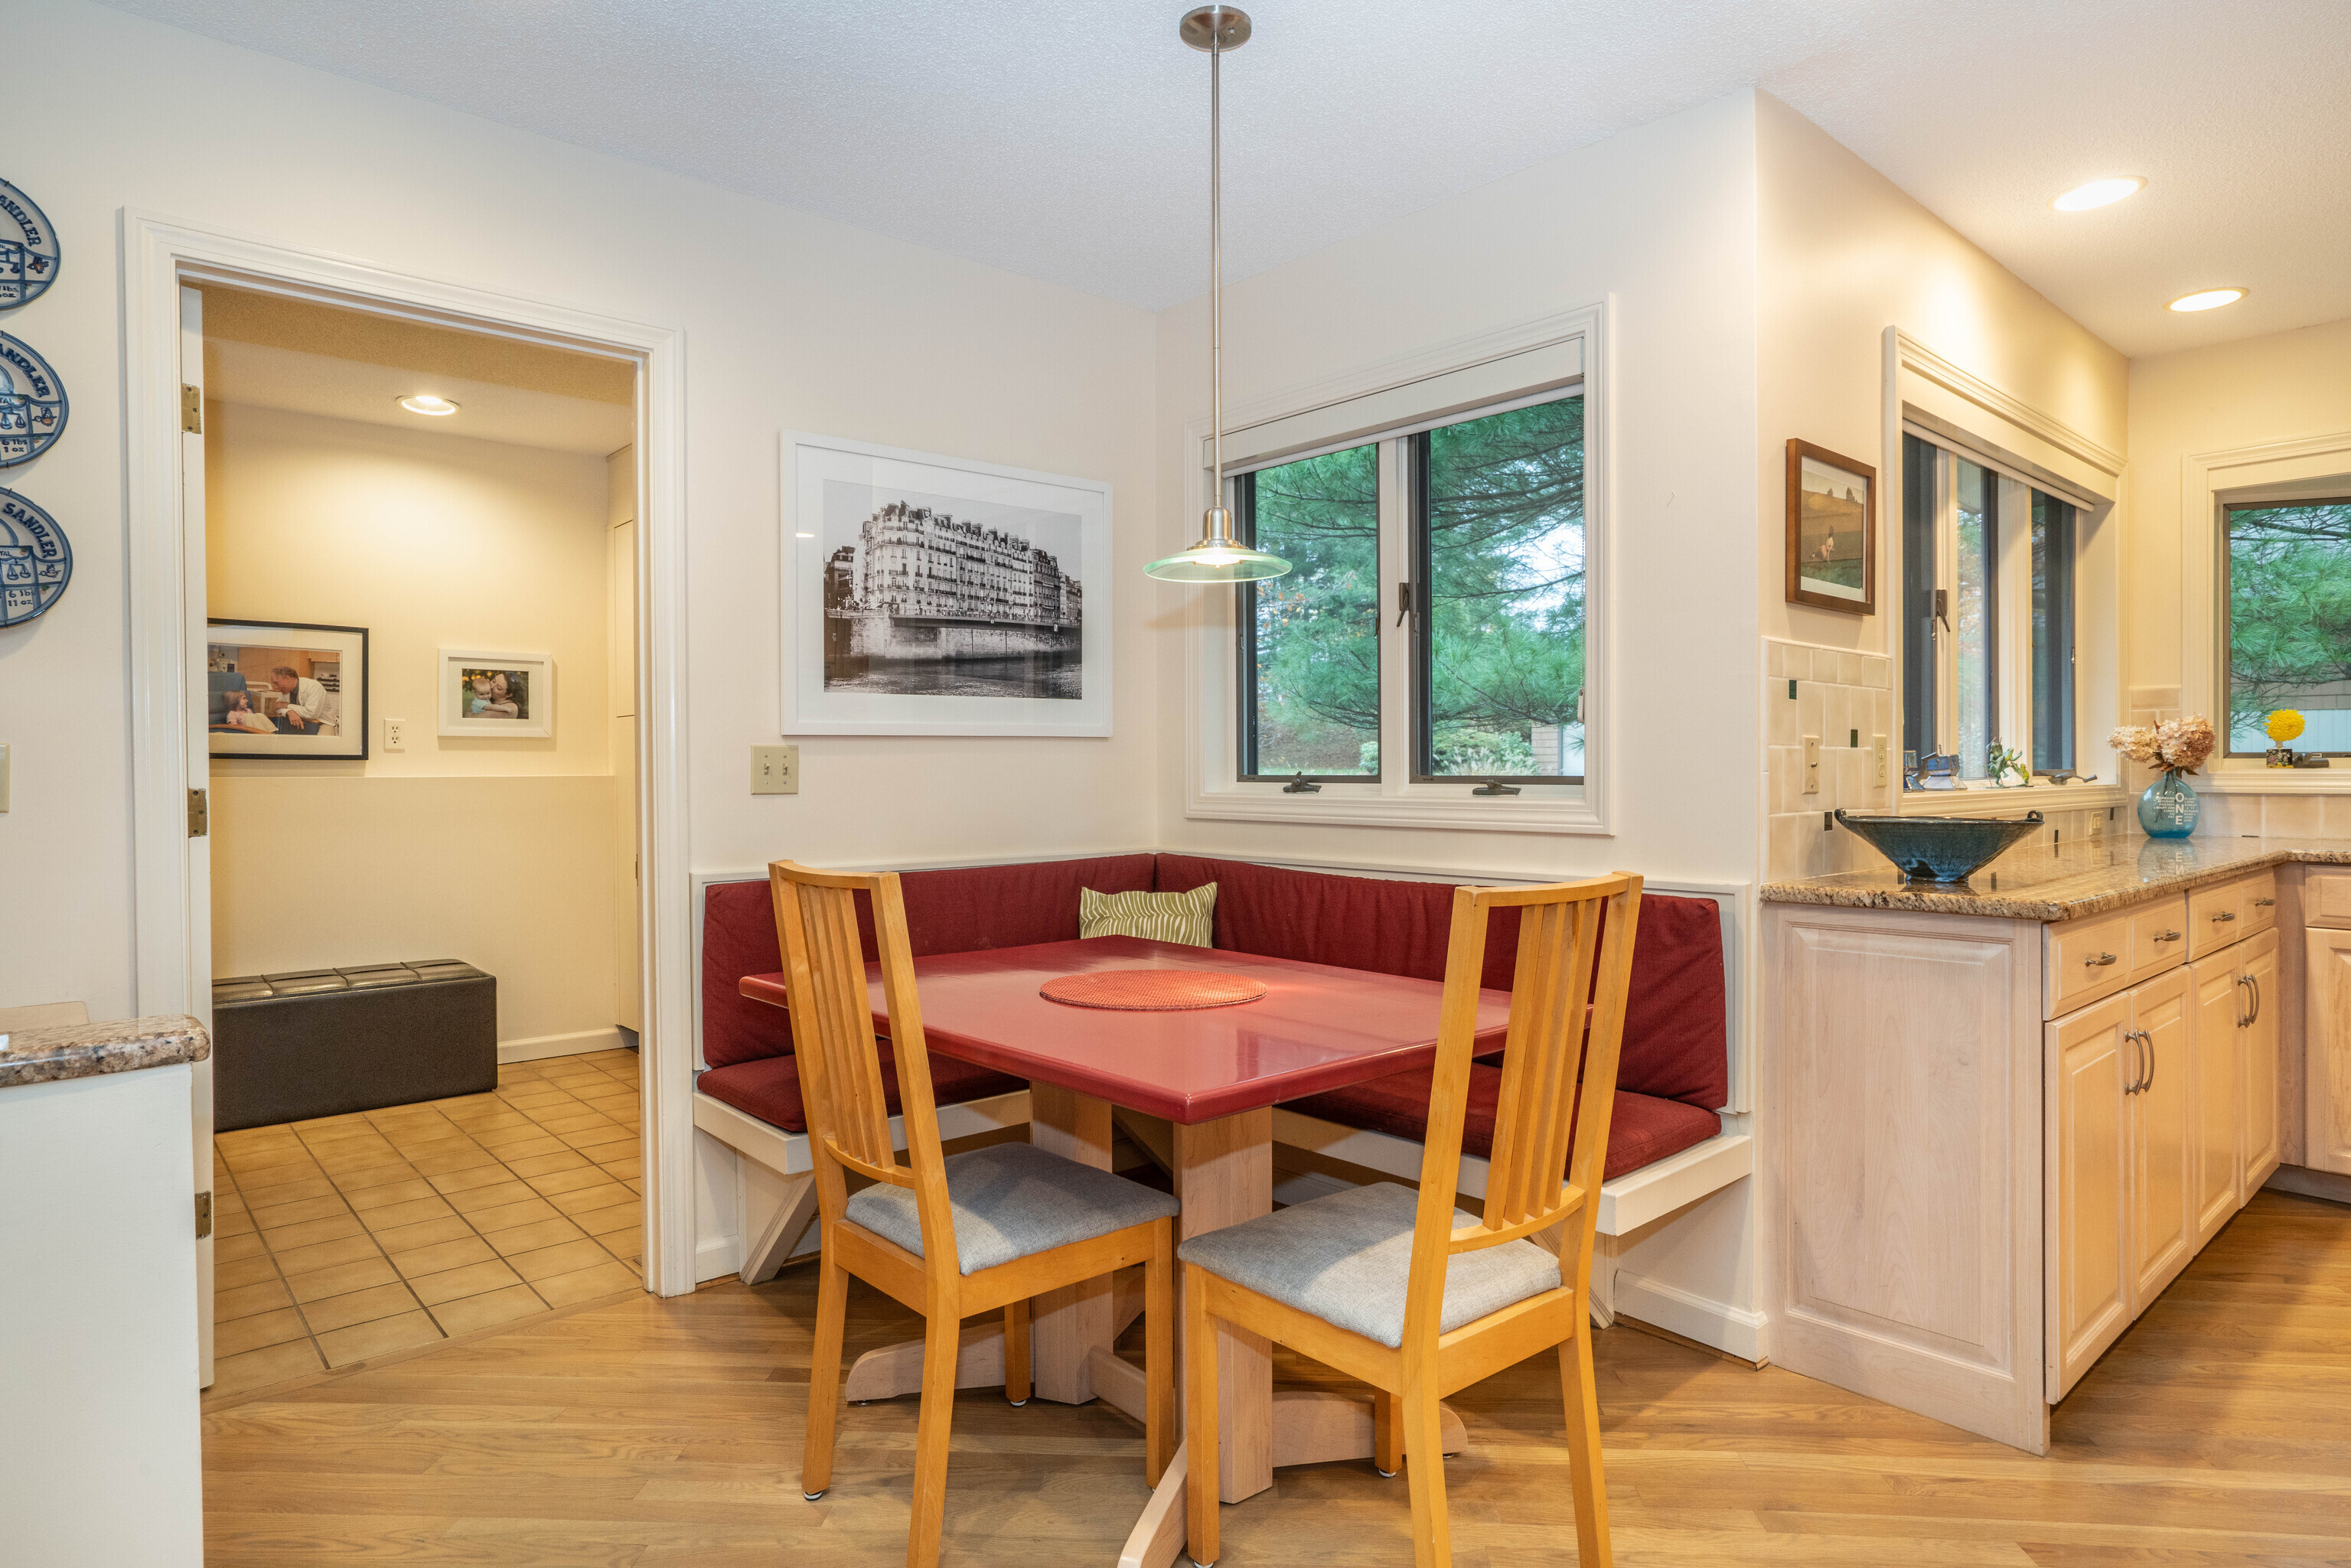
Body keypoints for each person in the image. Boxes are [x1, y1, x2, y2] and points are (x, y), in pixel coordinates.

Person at [269, 665, 340, 735]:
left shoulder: (313, 686)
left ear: (287, 678)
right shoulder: (286, 690)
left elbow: (311, 714)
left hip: (323, 722)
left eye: (277, 683)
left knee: (321, 743)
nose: (275, 688)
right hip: (302, 722)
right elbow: (278, 707)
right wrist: (289, 712)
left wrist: (286, 705)